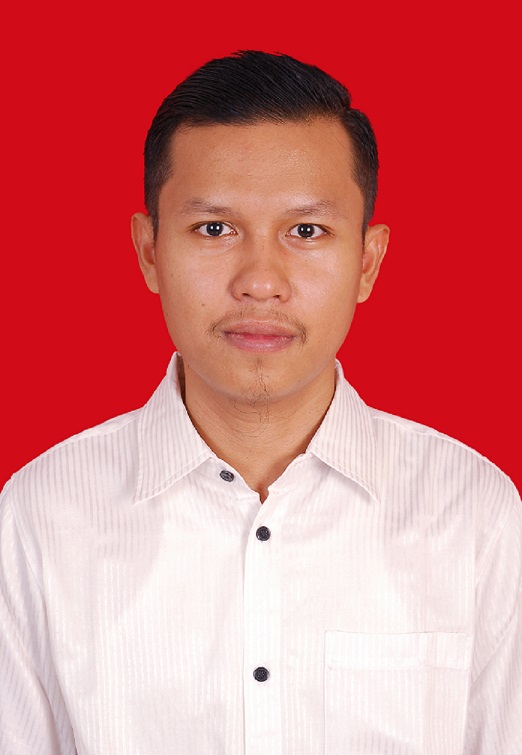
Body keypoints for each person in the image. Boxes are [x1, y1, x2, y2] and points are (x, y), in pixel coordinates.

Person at [0, 50, 520, 755]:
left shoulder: (474, 512)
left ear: (368, 262)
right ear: (149, 252)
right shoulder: (40, 514)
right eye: (215, 229)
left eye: (306, 231)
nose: (261, 281)